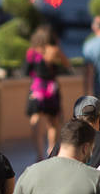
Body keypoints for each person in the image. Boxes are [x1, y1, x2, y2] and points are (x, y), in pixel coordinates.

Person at [24, 25, 70, 160]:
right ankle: (51, 149)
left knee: (35, 120)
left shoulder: (31, 52)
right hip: (51, 90)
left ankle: (38, 153)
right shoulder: (54, 50)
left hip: (37, 90)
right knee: (53, 123)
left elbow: (26, 71)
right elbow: (67, 65)